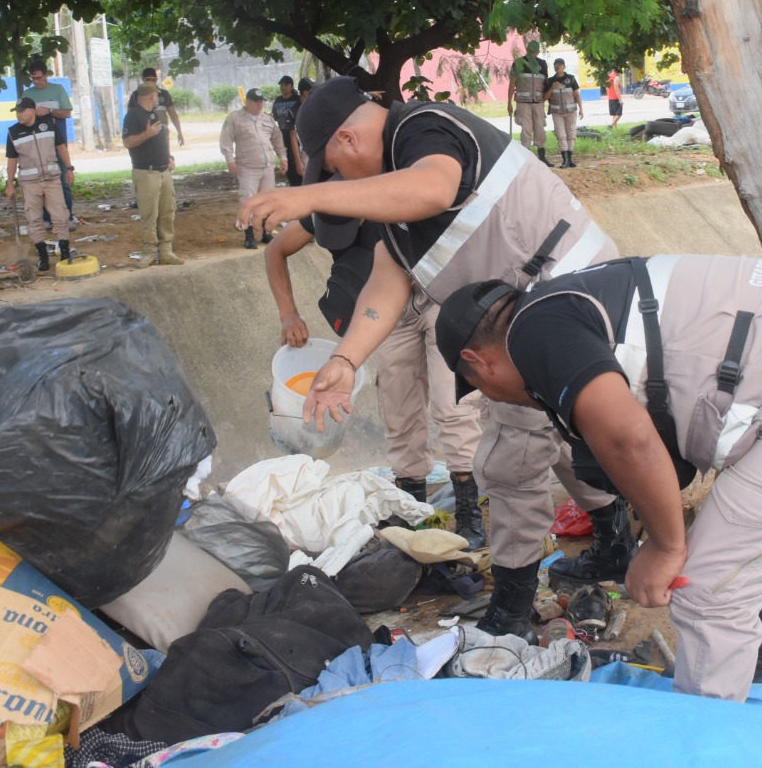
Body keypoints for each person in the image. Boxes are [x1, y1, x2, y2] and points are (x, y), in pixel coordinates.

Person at [235, 76, 623, 638]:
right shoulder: (398, 212)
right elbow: (385, 288)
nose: (340, 182)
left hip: (564, 300)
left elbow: (435, 189)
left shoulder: (424, 128)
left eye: (335, 171)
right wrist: (344, 361)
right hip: (540, 314)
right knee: (560, 435)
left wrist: (308, 196)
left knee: (509, 457)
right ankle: (615, 539)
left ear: (346, 139)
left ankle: (513, 603)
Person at [433, 255, 762, 703]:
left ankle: (706, 739)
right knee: (752, 545)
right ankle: (760, 674)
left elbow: (628, 439)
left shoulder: (533, 332)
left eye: (477, 389)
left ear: (477, 363)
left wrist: (664, 547)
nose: (494, 398)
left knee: (706, 592)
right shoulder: (564, 299)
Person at [263, 215, 485, 546]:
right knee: (398, 411)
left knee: (452, 406)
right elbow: (275, 249)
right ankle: (412, 513)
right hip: (386, 312)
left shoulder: (400, 180)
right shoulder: (331, 204)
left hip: (440, 297)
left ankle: (470, 514)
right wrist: (288, 314)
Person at [3, 97, 75, 272]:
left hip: (52, 179)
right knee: (34, 219)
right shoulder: (13, 132)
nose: (19, 115)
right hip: (29, 183)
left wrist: (69, 168)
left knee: (60, 215)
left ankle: (64, 253)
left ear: (32, 110)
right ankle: (43, 257)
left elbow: (61, 148)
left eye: (22, 111)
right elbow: (12, 160)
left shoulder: (49, 125)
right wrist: (10, 184)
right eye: (17, 112)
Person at [123, 83, 183, 266]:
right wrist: (146, 134)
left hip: (163, 170)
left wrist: (168, 157)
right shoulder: (133, 115)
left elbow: (161, 140)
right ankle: (149, 252)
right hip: (146, 172)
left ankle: (166, 251)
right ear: (151, 96)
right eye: (157, 96)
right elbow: (127, 142)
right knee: (149, 214)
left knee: (167, 212)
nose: (158, 99)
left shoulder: (154, 114)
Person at [220, 88, 286, 248]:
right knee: (248, 201)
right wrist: (230, 161)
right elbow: (226, 140)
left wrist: (283, 157)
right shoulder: (235, 118)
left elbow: (277, 139)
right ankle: (249, 235)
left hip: (267, 167)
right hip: (247, 167)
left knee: (267, 201)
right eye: (256, 101)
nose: (260, 104)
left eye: (261, 101)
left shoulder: (267, 119)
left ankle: (266, 232)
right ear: (247, 102)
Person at [23, 59, 78, 228]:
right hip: (37, 144)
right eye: (33, 79)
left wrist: (49, 111)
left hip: (57, 140)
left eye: (39, 78)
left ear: (46, 75)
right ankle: (47, 218)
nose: (36, 81)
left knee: (61, 177)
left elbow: (67, 113)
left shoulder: (57, 90)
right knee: (42, 181)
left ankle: (67, 216)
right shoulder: (28, 94)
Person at [508, 45, 551, 166]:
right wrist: (509, 103)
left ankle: (542, 157)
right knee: (526, 129)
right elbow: (512, 83)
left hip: (538, 102)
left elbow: (545, 83)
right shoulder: (518, 63)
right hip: (523, 102)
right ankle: (526, 160)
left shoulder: (542, 63)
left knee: (539, 128)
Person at [126, 68, 185, 146]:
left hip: (163, 133)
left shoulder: (164, 94)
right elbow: (129, 117)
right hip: (143, 134)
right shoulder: (135, 95)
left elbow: (173, 115)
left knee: (165, 156)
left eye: (153, 79)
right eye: (147, 79)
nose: (150, 81)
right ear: (143, 80)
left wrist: (179, 132)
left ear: (156, 79)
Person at [543, 58, 583, 169]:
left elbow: (577, 95)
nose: (557, 66)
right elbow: (545, 97)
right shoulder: (550, 81)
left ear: (564, 66)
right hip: (557, 113)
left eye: (560, 64)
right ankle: (565, 160)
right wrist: (552, 88)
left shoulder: (571, 78)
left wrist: (581, 109)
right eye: (555, 64)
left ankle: (570, 159)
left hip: (571, 112)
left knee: (571, 134)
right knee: (561, 135)